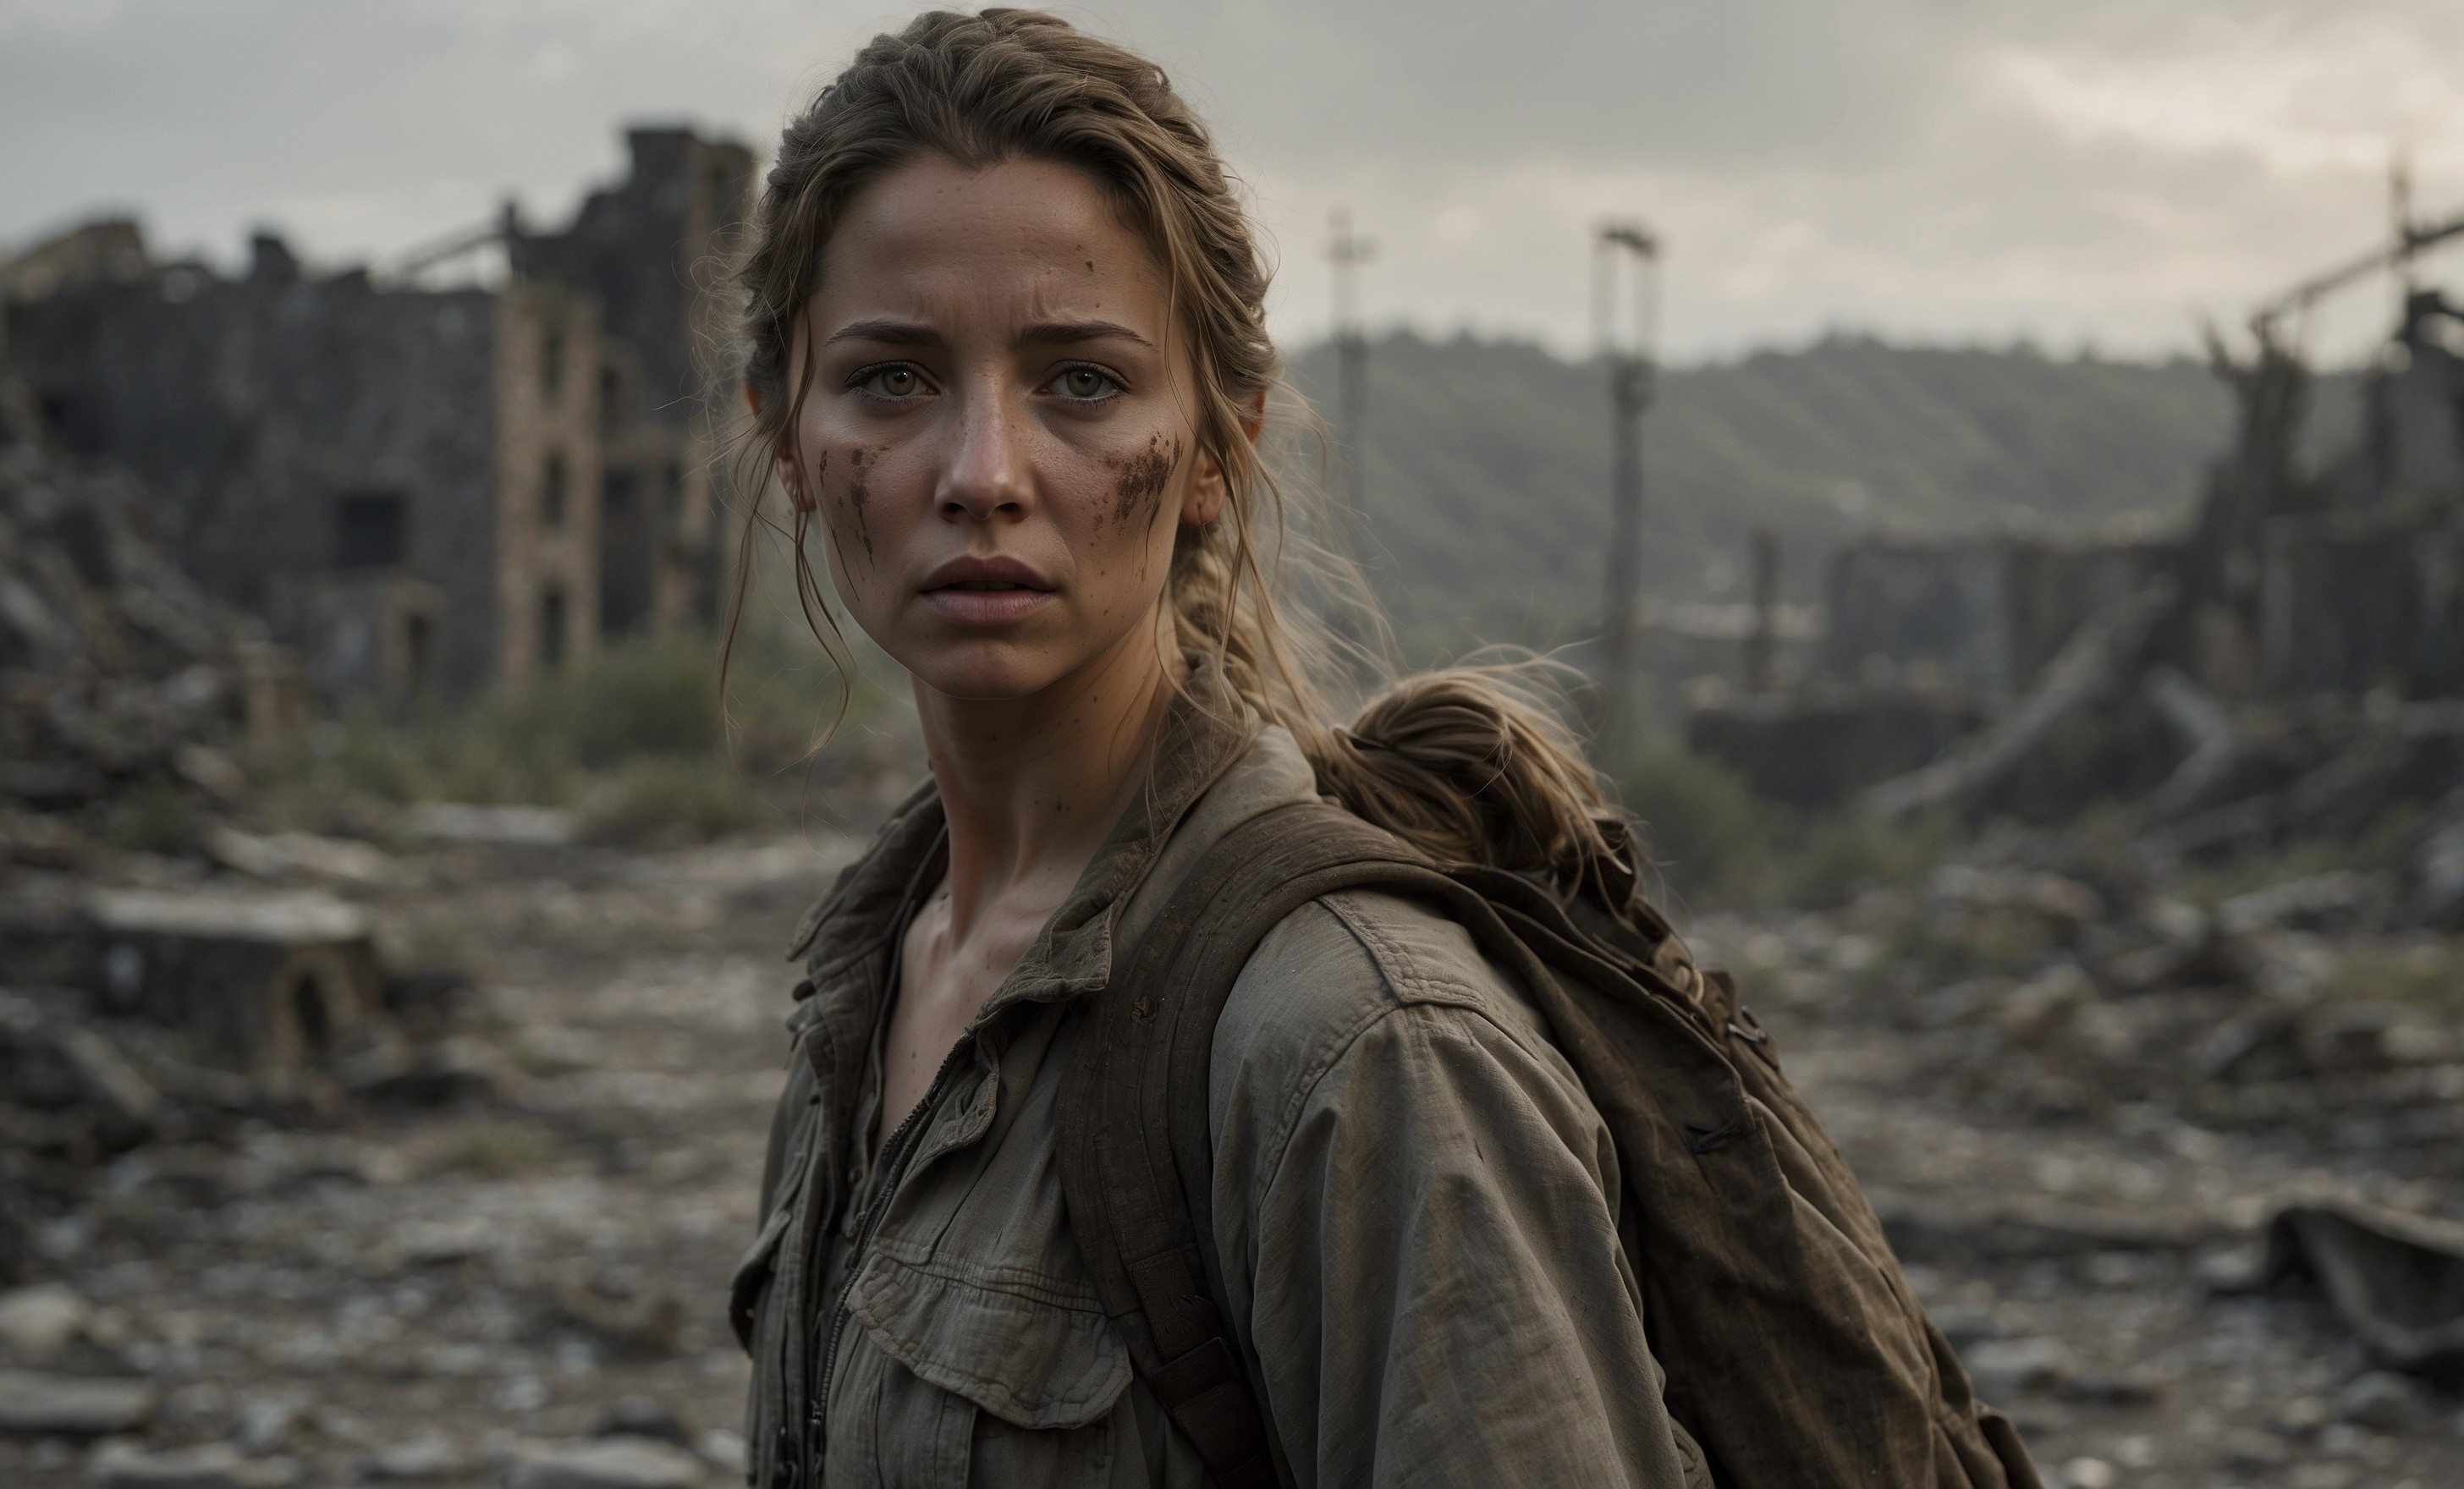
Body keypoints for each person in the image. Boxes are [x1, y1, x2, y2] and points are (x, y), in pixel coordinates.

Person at [727, 13, 1999, 1488]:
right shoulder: (871, 979)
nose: (983, 474)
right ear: (785, 437)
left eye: (1081, 381)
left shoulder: (1356, 1045)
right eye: (893, 379)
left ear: (1219, 447)